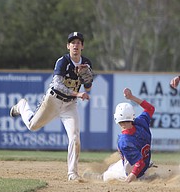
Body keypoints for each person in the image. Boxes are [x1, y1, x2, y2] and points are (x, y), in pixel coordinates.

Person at [10, 32, 93, 181]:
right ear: (68, 46)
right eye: (72, 42)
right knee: (32, 126)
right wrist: (77, 94)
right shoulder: (63, 61)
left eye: (79, 42)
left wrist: (85, 80)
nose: (75, 45)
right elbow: (57, 85)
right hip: (53, 100)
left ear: (82, 46)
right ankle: (22, 106)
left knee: (75, 138)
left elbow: (87, 89)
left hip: (70, 105)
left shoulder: (86, 63)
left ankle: (72, 174)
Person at [102, 88, 155, 183]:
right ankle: (147, 172)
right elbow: (150, 108)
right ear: (132, 115)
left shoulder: (124, 141)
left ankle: (101, 177)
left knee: (106, 175)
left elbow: (139, 163)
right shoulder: (140, 122)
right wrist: (132, 97)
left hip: (136, 172)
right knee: (117, 164)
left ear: (116, 118)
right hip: (145, 162)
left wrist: (130, 178)